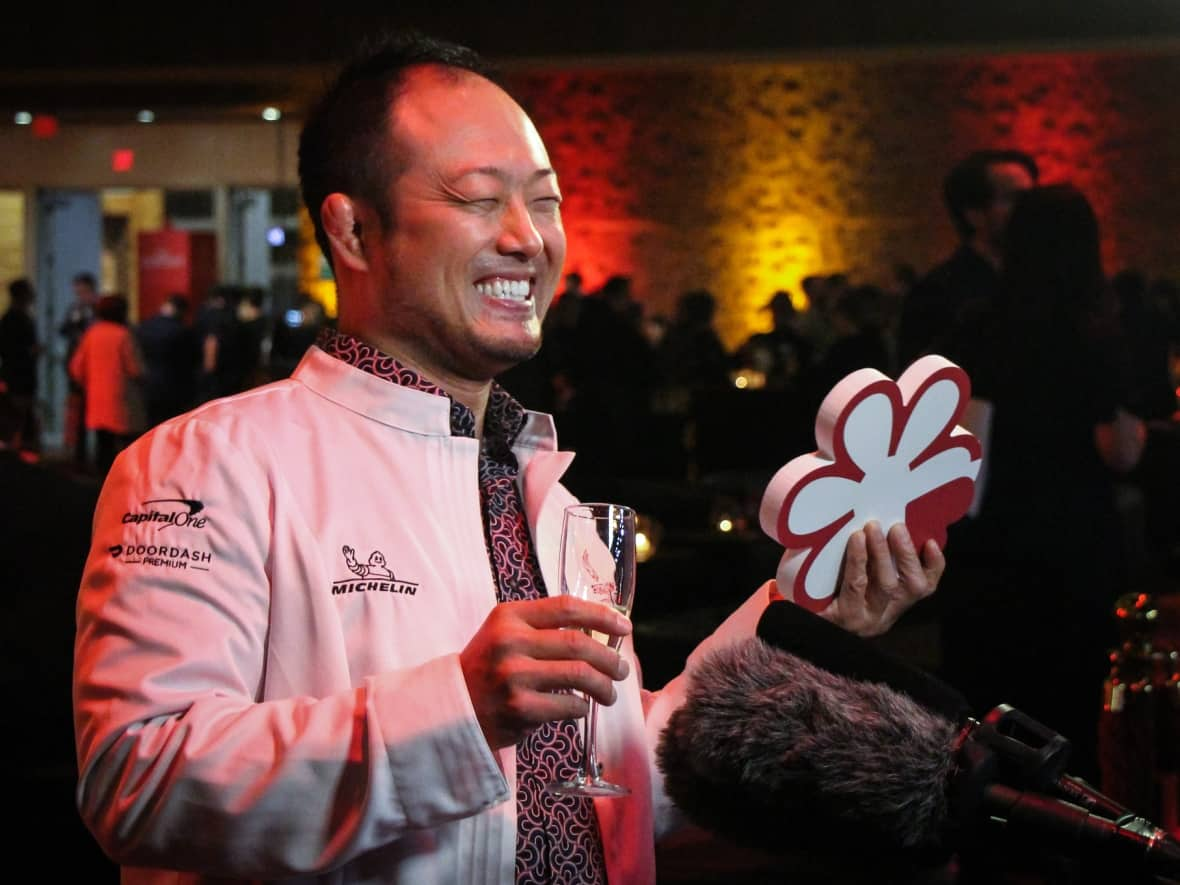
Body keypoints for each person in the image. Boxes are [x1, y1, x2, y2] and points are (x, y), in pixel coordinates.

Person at [73, 31, 945, 885]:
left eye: (546, 200)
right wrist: (457, 707)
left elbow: (616, 790)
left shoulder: (547, 499)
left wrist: (804, 617)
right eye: (480, 198)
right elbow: (139, 779)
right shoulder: (206, 464)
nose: (529, 238)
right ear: (353, 231)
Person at [937, 184, 1146, 788]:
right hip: (1074, 541)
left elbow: (958, 438)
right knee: (1067, 705)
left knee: (989, 700)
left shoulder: (978, 324)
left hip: (991, 543)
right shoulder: (1100, 332)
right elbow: (1122, 450)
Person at [896, 149, 1038, 369]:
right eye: (1014, 199)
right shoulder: (938, 293)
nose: (1031, 210)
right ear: (974, 215)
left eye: (1032, 198)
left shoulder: (1036, 281)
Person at [68, 293, 146, 476]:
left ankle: (100, 484)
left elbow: (76, 367)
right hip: (123, 400)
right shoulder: (123, 335)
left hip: (96, 399)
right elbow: (135, 368)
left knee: (103, 446)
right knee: (128, 447)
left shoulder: (92, 333)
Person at [135, 292, 200, 427]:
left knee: (151, 426)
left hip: (148, 383)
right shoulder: (183, 331)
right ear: (181, 310)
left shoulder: (145, 326)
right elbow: (191, 360)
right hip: (174, 385)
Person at [60, 271, 100, 468]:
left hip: (95, 368)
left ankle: (98, 457)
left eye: (83, 291)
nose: (80, 296)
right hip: (78, 368)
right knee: (77, 411)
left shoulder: (98, 310)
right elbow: (63, 330)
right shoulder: (74, 309)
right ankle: (79, 454)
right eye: (78, 292)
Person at [0, 277, 42, 459]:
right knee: (19, 414)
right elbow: (9, 348)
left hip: (18, 374)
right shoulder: (14, 319)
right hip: (18, 375)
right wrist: (30, 351)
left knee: (21, 414)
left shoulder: (15, 317)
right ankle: (20, 451)